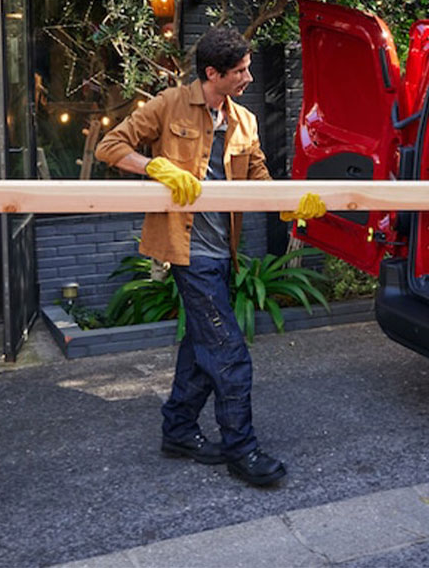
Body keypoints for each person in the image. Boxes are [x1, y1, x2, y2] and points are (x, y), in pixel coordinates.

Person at [95, 25, 322, 487]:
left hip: (222, 253)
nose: (249, 78)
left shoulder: (244, 121)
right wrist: (154, 166)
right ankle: (242, 449)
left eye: (248, 68)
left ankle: (179, 430)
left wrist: (288, 202)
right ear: (212, 73)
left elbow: (257, 175)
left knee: (201, 349)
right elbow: (110, 146)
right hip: (187, 250)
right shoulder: (168, 104)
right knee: (230, 354)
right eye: (239, 71)